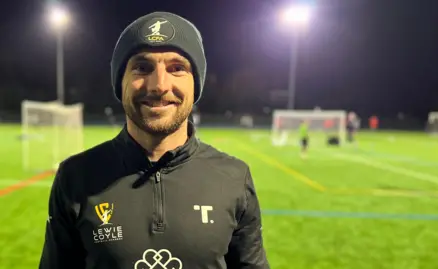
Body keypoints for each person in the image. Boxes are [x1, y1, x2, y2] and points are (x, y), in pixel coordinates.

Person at [39, 11, 270, 269]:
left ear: (196, 84)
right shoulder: (76, 176)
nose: (159, 85)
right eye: (142, 67)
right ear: (120, 82)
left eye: (177, 68)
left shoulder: (234, 177)